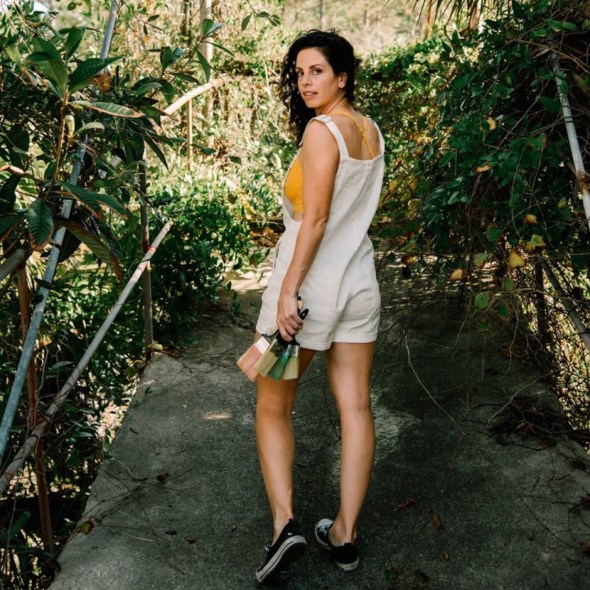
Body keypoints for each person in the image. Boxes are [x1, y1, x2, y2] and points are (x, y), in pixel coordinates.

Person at [253, 29, 385, 585]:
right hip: (359, 285)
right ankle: (345, 533)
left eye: (317, 71)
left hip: (310, 292)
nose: (306, 82)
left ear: (342, 76)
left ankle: (285, 525)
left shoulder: (321, 131)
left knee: (272, 405)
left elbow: (318, 220)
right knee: (355, 408)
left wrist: (289, 291)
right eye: (300, 73)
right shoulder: (369, 131)